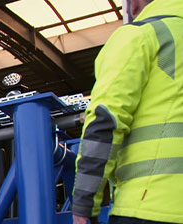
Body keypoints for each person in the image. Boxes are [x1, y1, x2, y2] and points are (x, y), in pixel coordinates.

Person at [72, 0, 183, 223]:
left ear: (135, 3)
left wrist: (84, 205)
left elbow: (106, 120)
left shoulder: (142, 35)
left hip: (150, 204)